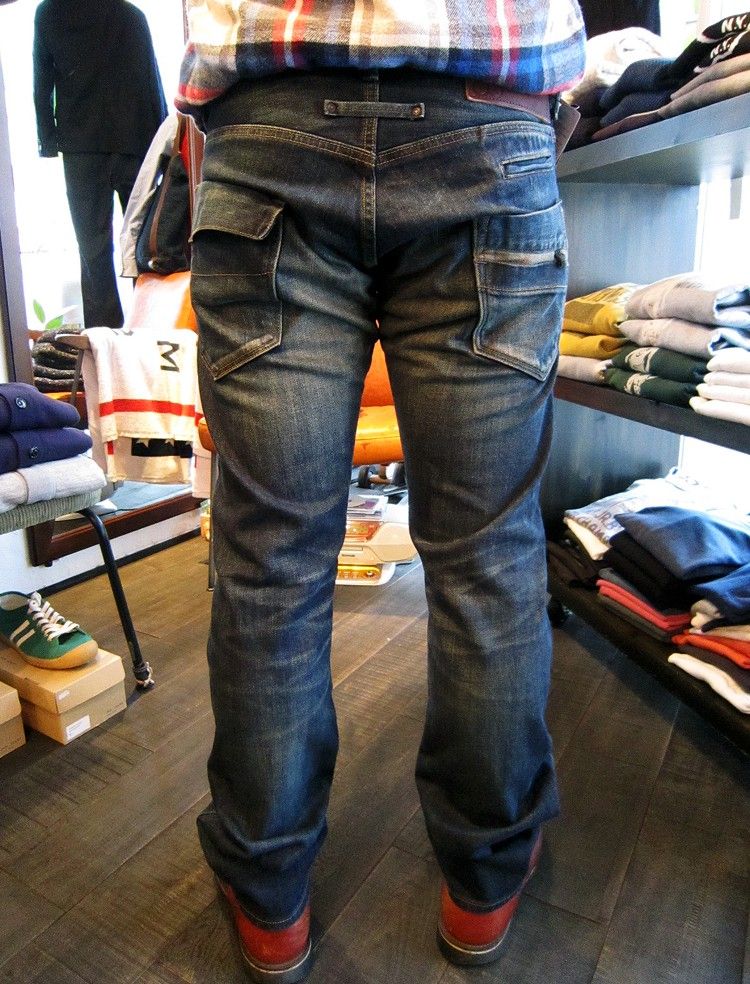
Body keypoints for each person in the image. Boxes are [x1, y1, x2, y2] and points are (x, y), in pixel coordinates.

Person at [177, 2, 585, 981]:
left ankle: (270, 894)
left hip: (271, 125)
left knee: (271, 562)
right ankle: (484, 880)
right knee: (489, 556)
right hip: (488, 118)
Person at [33, 0, 167, 329]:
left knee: (93, 251)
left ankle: (104, 338)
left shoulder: (49, 12)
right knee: (144, 245)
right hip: (133, 142)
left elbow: (42, 82)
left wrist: (48, 141)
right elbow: (150, 83)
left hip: (80, 148)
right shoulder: (131, 16)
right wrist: (163, 149)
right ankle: (149, 329)